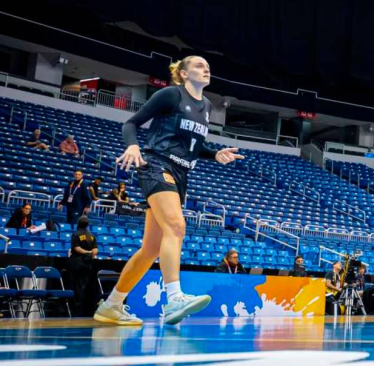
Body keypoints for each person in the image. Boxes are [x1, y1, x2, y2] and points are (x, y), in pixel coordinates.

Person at [93, 56, 244, 326]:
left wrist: (214, 154)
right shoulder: (170, 95)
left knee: (150, 249)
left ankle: (111, 305)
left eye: (207, 66)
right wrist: (133, 145)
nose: (205, 68)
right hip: (156, 164)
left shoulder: (207, 106)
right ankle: (174, 298)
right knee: (176, 227)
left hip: (181, 172)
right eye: (198, 65)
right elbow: (131, 123)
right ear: (183, 74)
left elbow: (192, 145)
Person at [67, 215, 99, 316]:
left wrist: (85, 252)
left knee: (75, 287)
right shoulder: (92, 236)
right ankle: (82, 310)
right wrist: (89, 254)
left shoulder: (75, 234)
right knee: (83, 286)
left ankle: (75, 310)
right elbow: (95, 250)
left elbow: (76, 248)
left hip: (76, 264)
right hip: (87, 265)